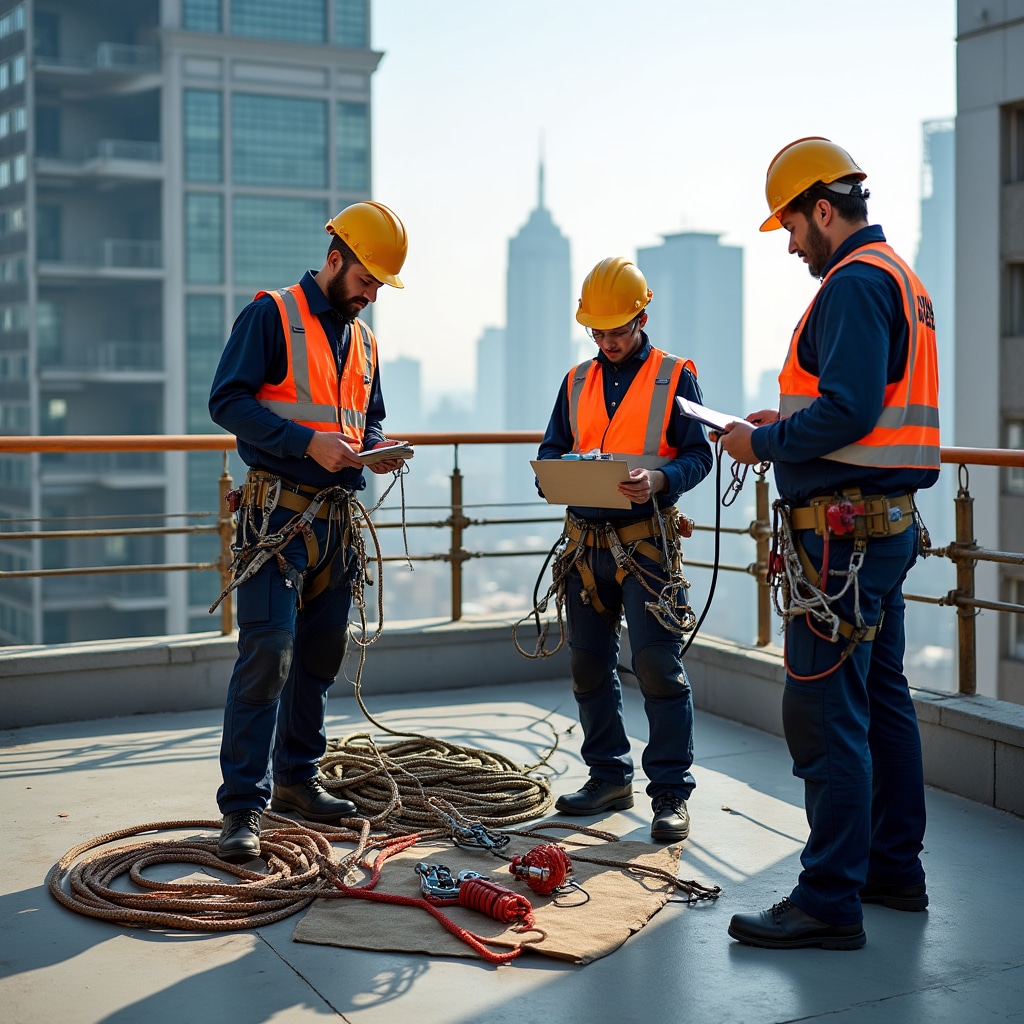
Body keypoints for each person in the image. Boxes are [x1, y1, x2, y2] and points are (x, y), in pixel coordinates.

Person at [721, 138, 940, 949]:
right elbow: (861, 406)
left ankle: (828, 900)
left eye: (790, 226)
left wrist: (762, 444)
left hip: (842, 541)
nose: (790, 245)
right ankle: (892, 870)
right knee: (881, 701)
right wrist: (783, 423)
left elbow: (849, 410)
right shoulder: (900, 279)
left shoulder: (852, 283)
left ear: (822, 209)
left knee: (823, 710)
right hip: (882, 529)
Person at [209, 201, 410, 862]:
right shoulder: (272, 315)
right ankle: (243, 806)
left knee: (320, 656)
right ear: (334, 259)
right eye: (366, 280)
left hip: (334, 523)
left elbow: (367, 417)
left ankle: (296, 777)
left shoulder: (365, 342)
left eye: (379, 286)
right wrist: (305, 442)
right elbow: (227, 401)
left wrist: (374, 447)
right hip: (275, 517)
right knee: (267, 653)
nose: (371, 294)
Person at [537, 256, 713, 842]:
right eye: (598, 332)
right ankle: (608, 777)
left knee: (657, 666)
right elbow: (553, 449)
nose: (607, 342)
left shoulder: (673, 376)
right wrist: (558, 474)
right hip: (585, 546)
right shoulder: (576, 381)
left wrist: (659, 480)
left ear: (642, 318)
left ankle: (670, 794)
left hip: (646, 545)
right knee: (588, 664)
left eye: (617, 330)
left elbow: (699, 455)